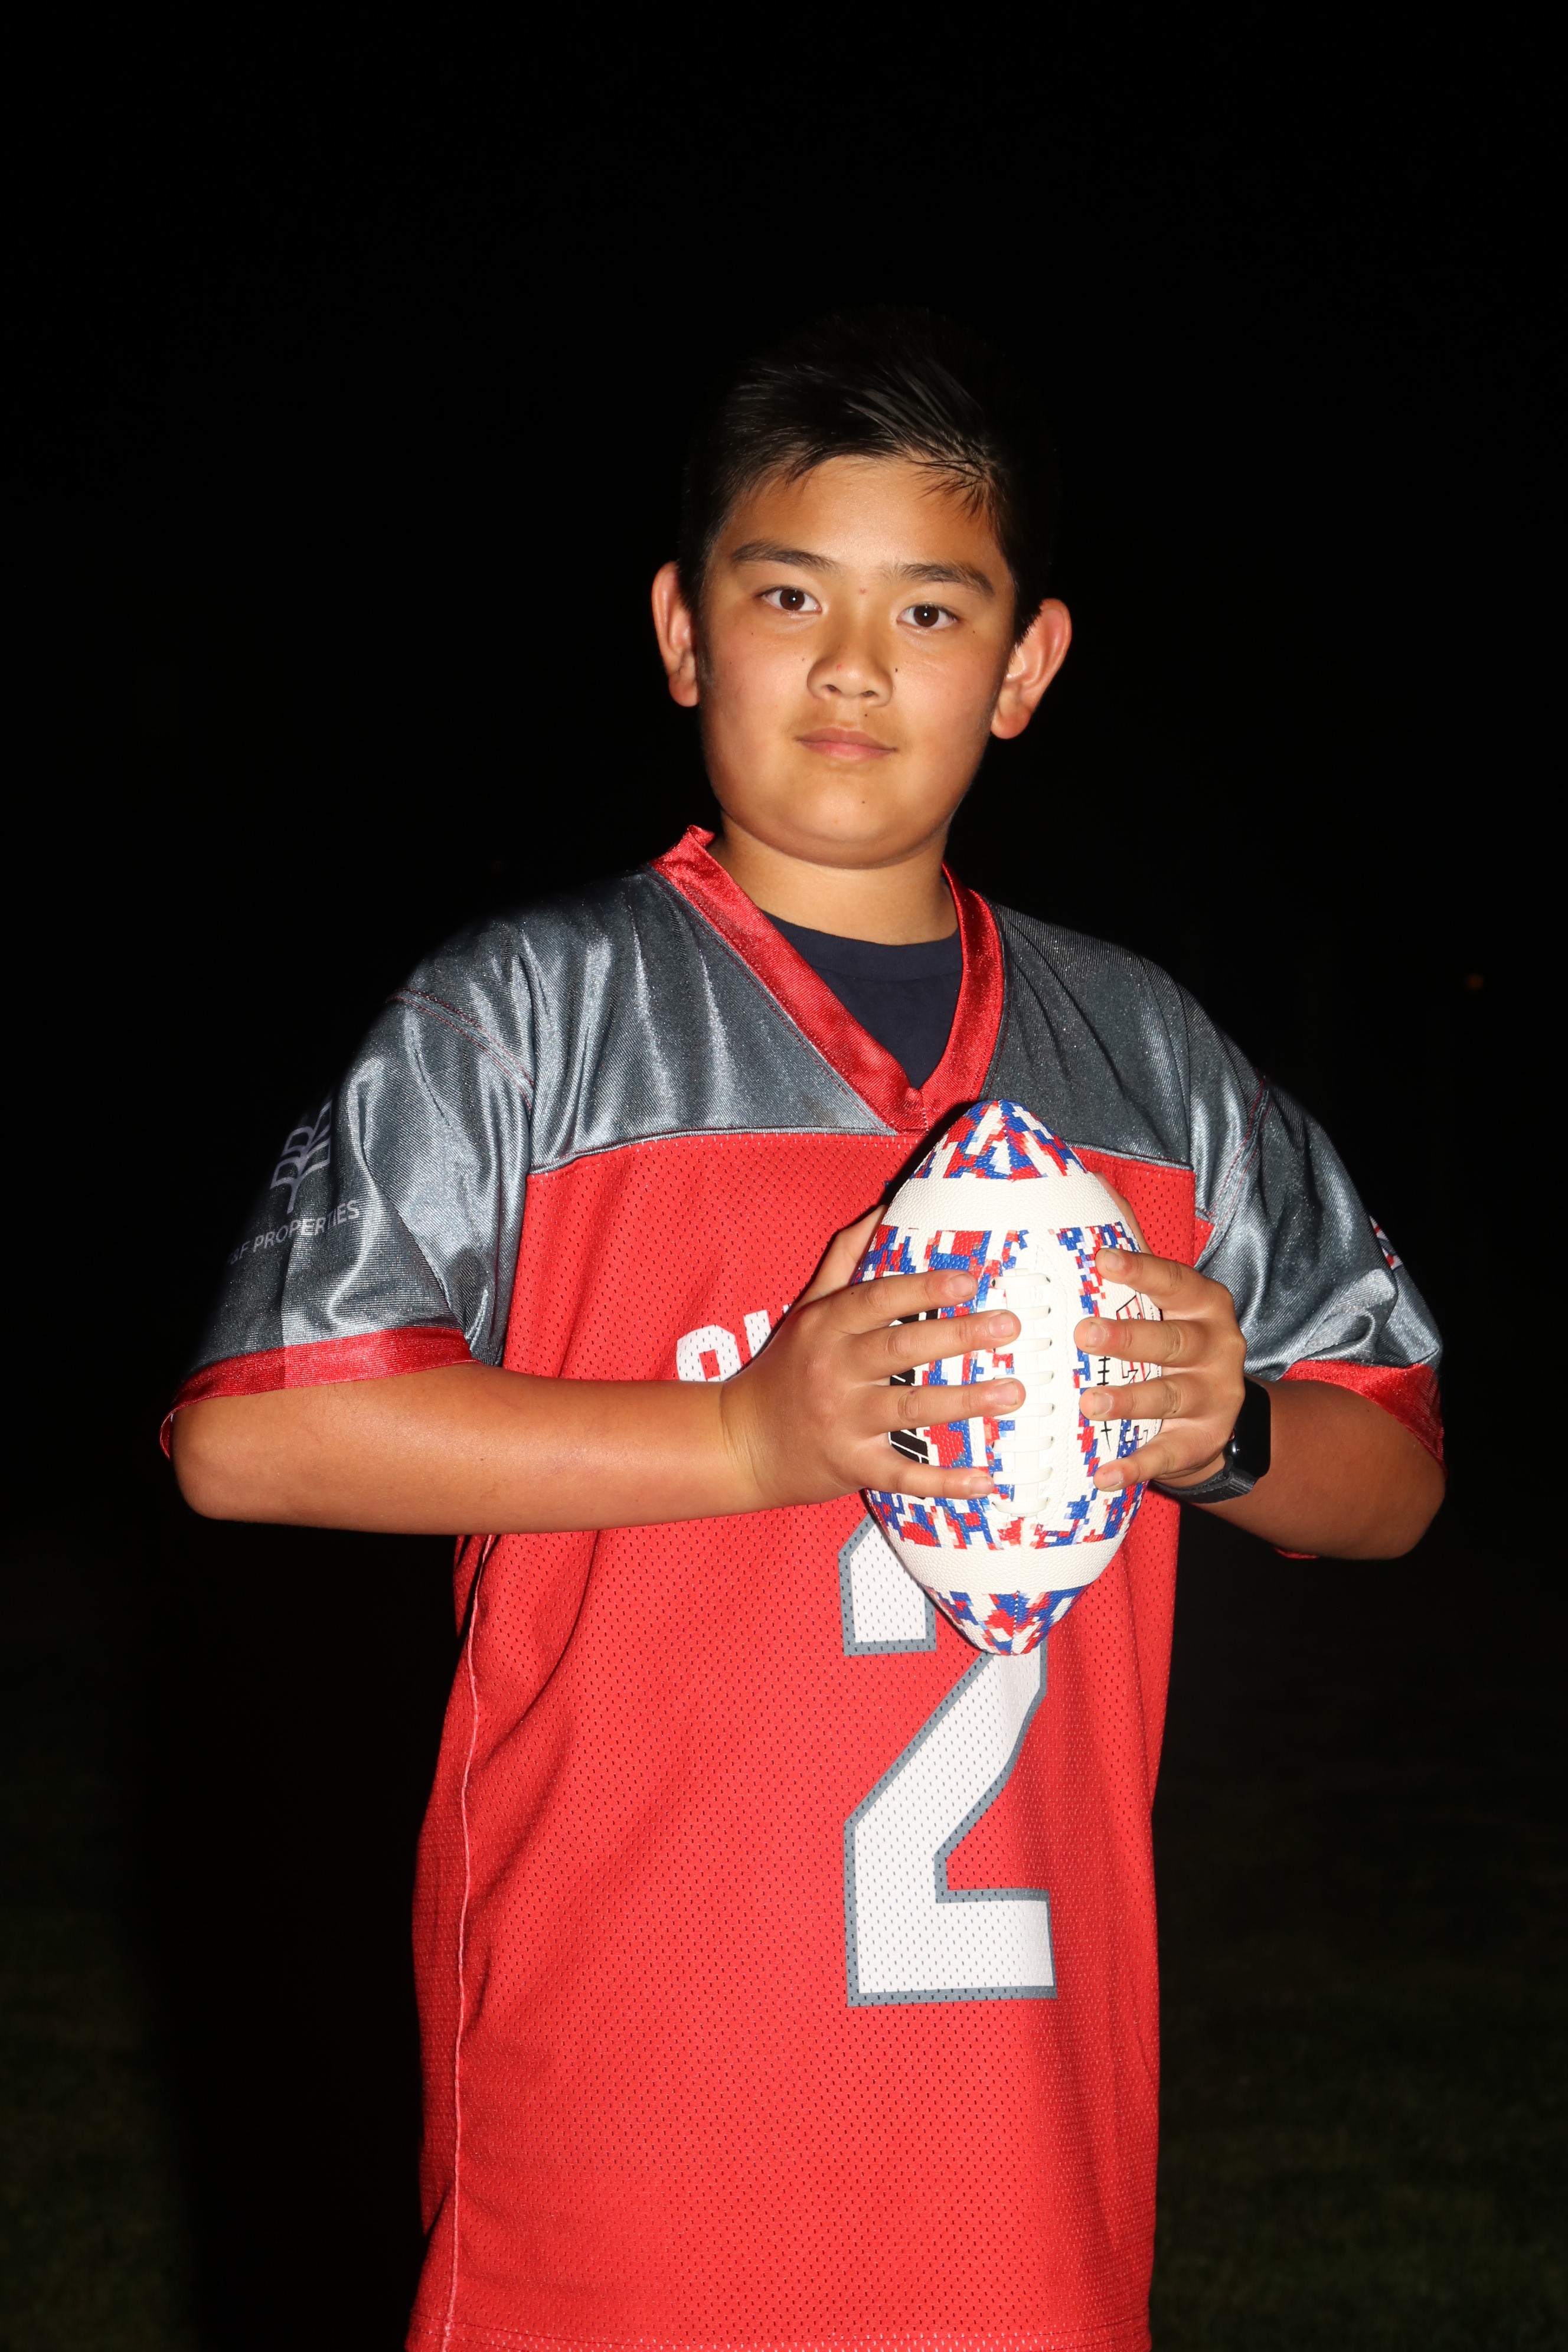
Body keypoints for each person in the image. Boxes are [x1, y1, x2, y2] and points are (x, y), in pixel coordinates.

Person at [169, 309, 1444, 2352]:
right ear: (684, 632)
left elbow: (1393, 1480)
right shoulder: (532, 1016)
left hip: (1016, 2141)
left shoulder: (1150, 1059)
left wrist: (1227, 1432)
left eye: (930, 609)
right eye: (788, 596)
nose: (855, 665)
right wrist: (746, 1441)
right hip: (622, 2107)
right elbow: (253, 1438)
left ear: (1025, 665)